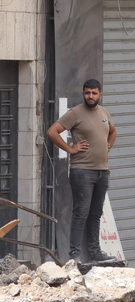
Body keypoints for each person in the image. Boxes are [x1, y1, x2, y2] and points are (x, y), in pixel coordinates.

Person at [46, 79, 117, 262]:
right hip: (82, 171)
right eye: (87, 93)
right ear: (83, 94)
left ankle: (95, 252)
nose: (90, 96)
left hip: (102, 171)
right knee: (81, 212)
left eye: (94, 93)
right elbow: (53, 131)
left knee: (95, 214)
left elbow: (113, 131)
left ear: (100, 94)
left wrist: (108, 145)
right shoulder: (75, 113)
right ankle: (75, 254)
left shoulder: (104, 112)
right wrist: (70, 149)